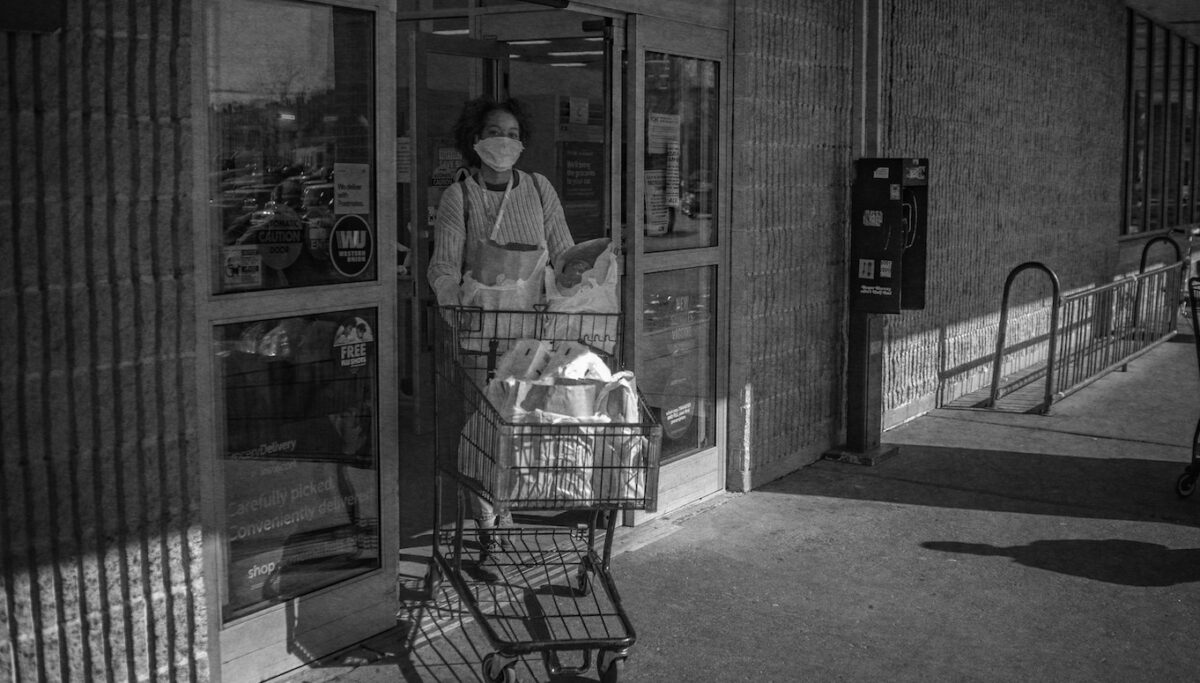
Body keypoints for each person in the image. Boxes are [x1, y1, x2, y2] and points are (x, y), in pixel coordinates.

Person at [427, 96, 576, 556]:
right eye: (495, 132)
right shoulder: (460, 196)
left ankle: (505, 506)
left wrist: (585, 277)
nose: (504, 142)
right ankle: (490, 523)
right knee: (486, 426)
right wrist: (455, 307)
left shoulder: (537, 188)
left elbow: (564, 250)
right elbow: (443, 268)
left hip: (533, 333)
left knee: (521, 423)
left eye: (513, 134)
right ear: (475, 139)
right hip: (480, 334)